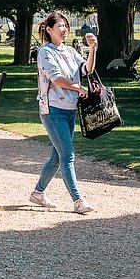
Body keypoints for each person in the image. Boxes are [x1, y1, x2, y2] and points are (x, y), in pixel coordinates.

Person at [31, 11, 96, 215]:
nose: (64, 29)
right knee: (67, 154)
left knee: (57, 156)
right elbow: (56, 78)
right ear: (49, 30)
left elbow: (87, 69)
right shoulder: (45, 52)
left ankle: (37, 193)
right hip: (52, 110)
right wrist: (78, 88)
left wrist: (93, 49)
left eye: (66, 25)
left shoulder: (69, 51)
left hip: (69, 109)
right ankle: (78, 200)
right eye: (60, 25)